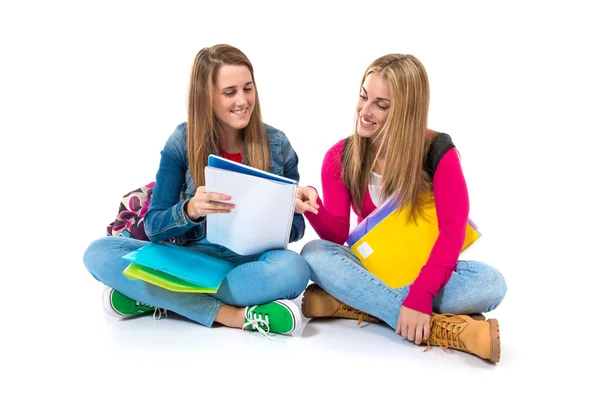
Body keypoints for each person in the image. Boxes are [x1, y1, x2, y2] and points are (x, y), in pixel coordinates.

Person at [83, 44, 310, 337]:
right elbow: (154, 227)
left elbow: (295, 230)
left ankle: (158, 299)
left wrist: (283, 209)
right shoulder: (182, 140)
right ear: (207, 96)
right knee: (98, 253)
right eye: (230, 92)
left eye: (248, 89)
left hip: (245, 267)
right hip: (190, 262)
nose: (242, 101)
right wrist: (189, 210)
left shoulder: (278, 144)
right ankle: (234, 316)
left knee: (295, 270)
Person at [295, 54, 507, 362]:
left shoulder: (438, 153)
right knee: (314, 253)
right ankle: (439, 328)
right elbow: (337, 234)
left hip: (427, 272)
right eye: (363, 97)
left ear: (407, 110)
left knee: (491, 283)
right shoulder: (340, 156)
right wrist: (313, 204)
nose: (365, 112)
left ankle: (354, 304)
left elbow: (451, 233)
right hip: (372, 269)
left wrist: (421, 294)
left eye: (381, 105)